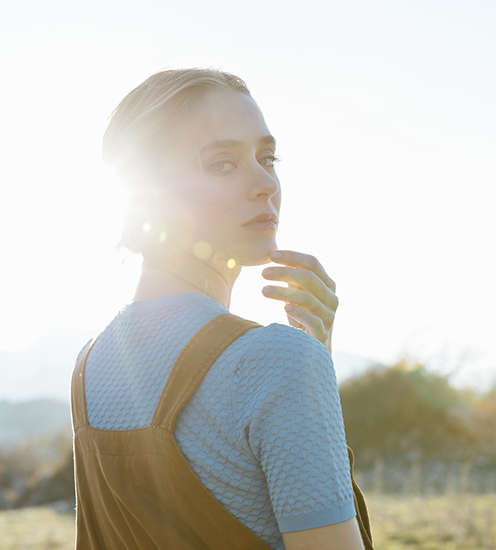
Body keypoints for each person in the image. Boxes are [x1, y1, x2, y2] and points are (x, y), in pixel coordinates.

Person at [71, 68, 366, 549]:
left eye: (267, 157)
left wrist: (316, 366)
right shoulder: (279, 361)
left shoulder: (88, 364)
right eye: (222, 164)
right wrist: (310, 366)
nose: (265, 183)